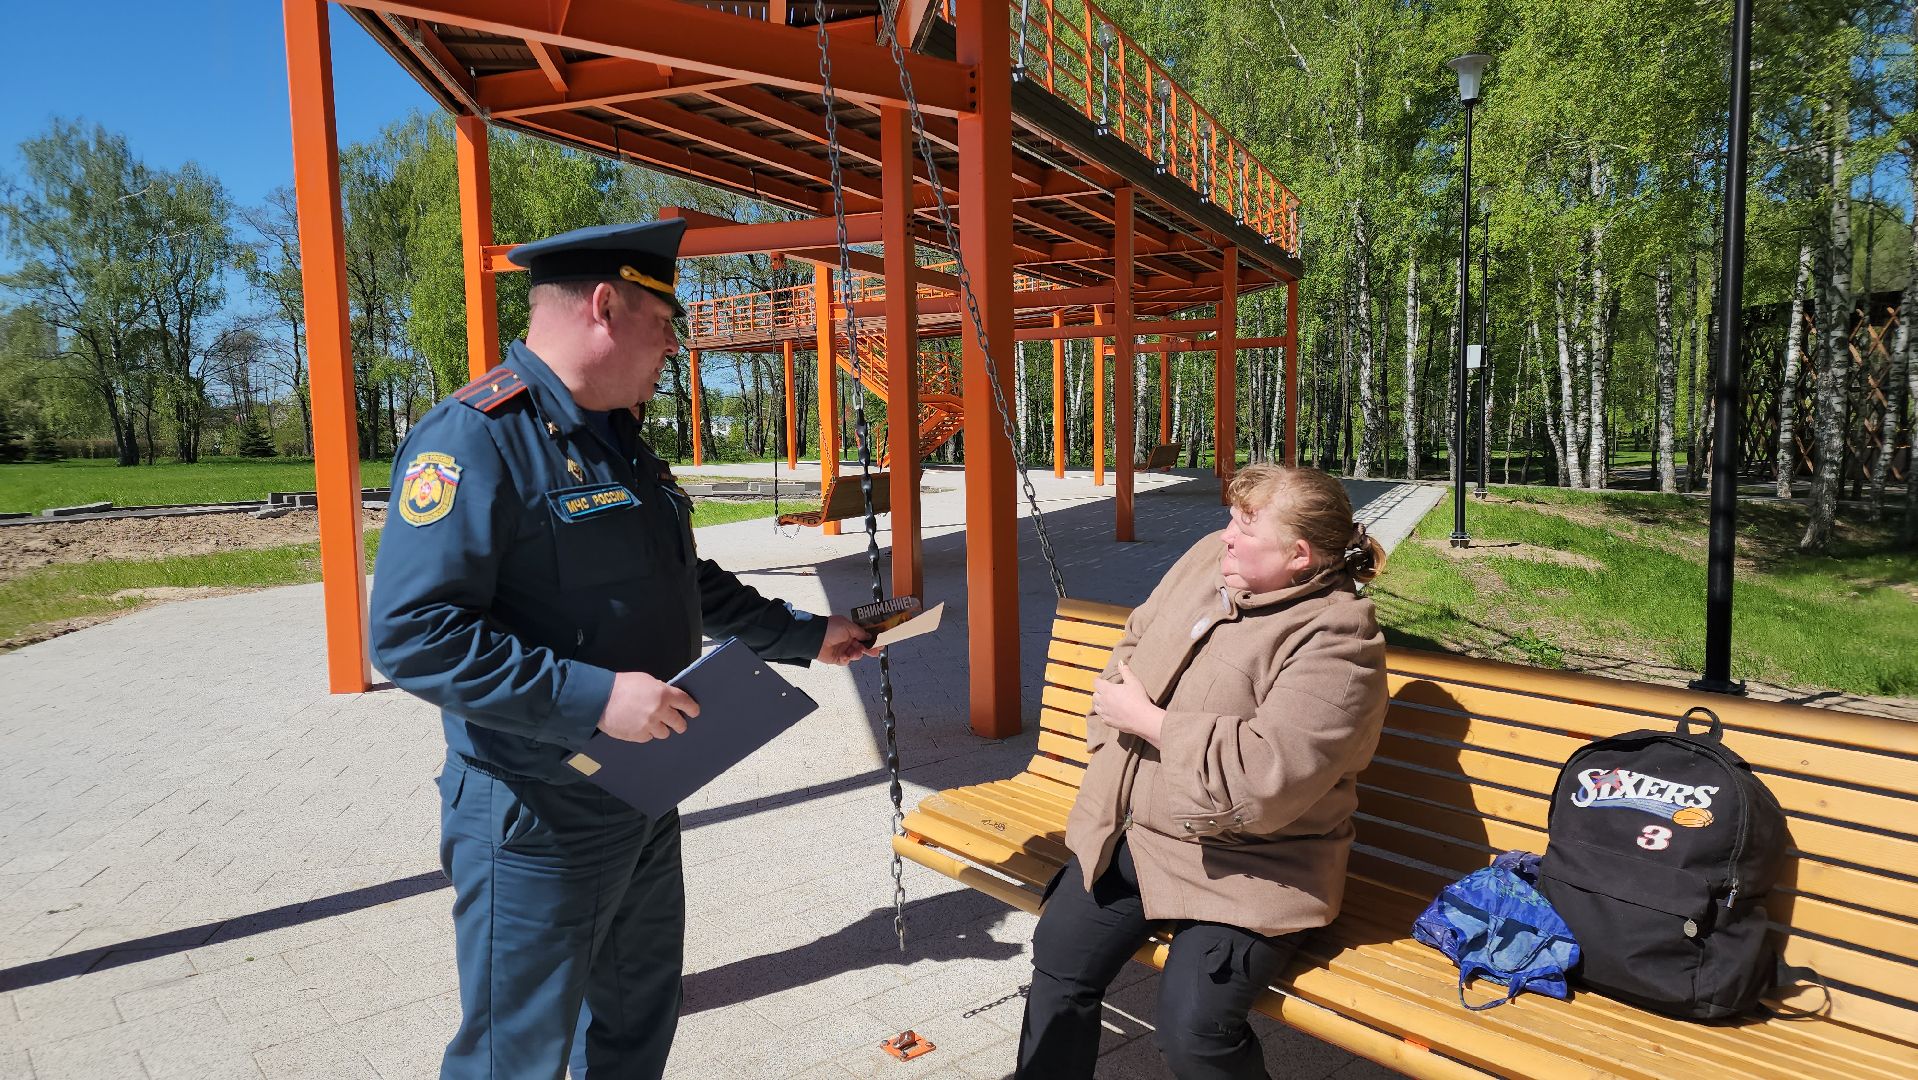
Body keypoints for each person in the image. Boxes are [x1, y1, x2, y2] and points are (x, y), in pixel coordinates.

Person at [368, 219, 875, 1080]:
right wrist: (593, 698)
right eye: (665, 323)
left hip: (641, 794)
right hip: (536, 811)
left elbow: (683, 579)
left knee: (639, 1017)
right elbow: (412, 633)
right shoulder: (477, 439)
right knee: (515, 1056)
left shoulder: (616, 440)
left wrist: (805, 635)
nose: (673, 348)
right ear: (605, 306)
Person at [1016, 464, 1390, 1080]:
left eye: (1245, 526)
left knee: (1193, 1029)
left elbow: (1268, 778)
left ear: (1299, 556)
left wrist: (1151, 722)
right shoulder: (1208, 563)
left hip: (1254, 866)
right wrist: (1118, 709)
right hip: (1133, 831)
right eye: (1230, 519)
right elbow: (1136, 637)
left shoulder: (1338, 643)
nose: (1226, 537)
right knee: (1059, 965)